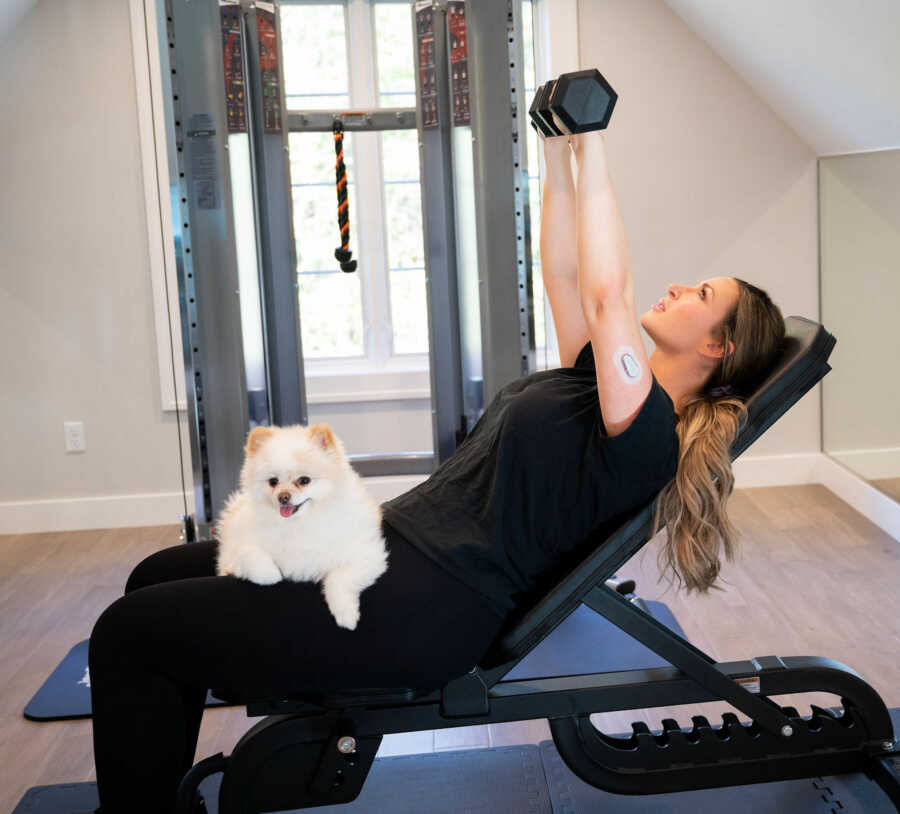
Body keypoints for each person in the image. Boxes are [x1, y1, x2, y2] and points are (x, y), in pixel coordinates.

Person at [85, 126, 785, 814]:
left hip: (421, 605)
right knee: (154, 578)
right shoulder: (598, 381)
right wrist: (554, 149)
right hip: (387, 550)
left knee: (128, 634)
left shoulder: (644, 427)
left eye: (698, 294)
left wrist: (596, 140)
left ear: (718, 347)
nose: (676, 287)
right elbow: (566, 275)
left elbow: (608, 294)